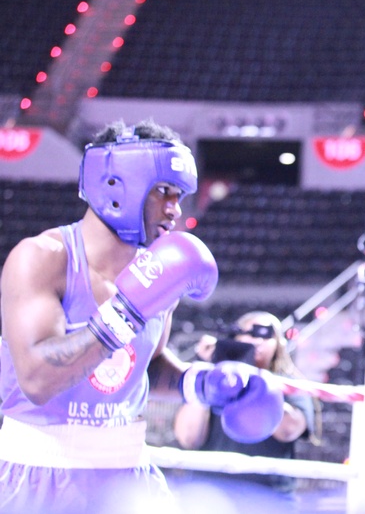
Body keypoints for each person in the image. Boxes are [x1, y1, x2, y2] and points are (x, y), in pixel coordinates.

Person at [0, 119, 285, 514]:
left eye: (179, 195)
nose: (175, 209)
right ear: (118, 185)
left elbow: (141, 365)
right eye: (163, 192)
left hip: (128, 471)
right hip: (42, 471)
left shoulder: (157, 269)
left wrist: (200, 384)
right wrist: (126, 312)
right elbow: (36, 379)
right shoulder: (43, 258)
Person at [172, 310, 321, 499]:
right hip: (209, 497)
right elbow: (188, 438)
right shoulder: (213, 379)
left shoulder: (290, 384)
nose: (256, 341)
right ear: (235, 337)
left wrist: (256, 386)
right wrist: (208, 374)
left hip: (268, 499)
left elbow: (288, 430)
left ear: (277, 343)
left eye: (265, 335)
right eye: (249, 333)